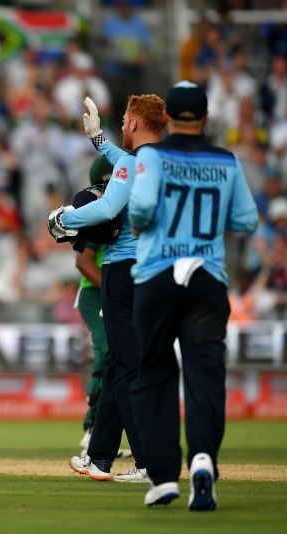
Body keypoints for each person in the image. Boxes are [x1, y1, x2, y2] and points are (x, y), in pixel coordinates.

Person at [127, 81, 258, 510]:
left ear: (166, 119)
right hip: (207, 277)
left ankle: (164, 478)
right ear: (204, 117)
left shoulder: (152, 154)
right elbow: (246, 220)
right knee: (204, 373)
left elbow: (143, 209)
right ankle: (203, 458)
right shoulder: (226, 159)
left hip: (158, 275)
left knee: (154, 372)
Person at [50, 94, 168, 484]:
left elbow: (105, 208)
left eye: (122, 120)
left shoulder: (134, 165)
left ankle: (148, 461)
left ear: (134, 123)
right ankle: (99, 458)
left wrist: (65, 217)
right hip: (154, 270)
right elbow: (125, 164)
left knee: (127, 366)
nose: (121, 125)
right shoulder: (162, 163)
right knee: (121, 362)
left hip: (122, 269)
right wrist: (98, 138)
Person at [74, 156, 112, 454]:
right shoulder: (100, 210)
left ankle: (108, 433)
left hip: (115, 292)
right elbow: (83, 261)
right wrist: (114, 289)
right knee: (108, 352)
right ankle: (92, 429)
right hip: (94, 292)